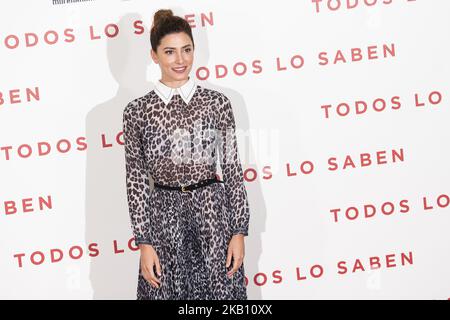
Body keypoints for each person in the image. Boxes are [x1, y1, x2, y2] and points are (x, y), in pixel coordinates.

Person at [122, 9, 251, 300]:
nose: (180, 60)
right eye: (169, 52)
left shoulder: (216, 103)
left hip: (214, 219)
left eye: (186, 50)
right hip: (162, 221)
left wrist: (239, 231)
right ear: (154, 55)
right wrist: (144, 242)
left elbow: (231, 168)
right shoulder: (136, 112)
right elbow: (137, 180)